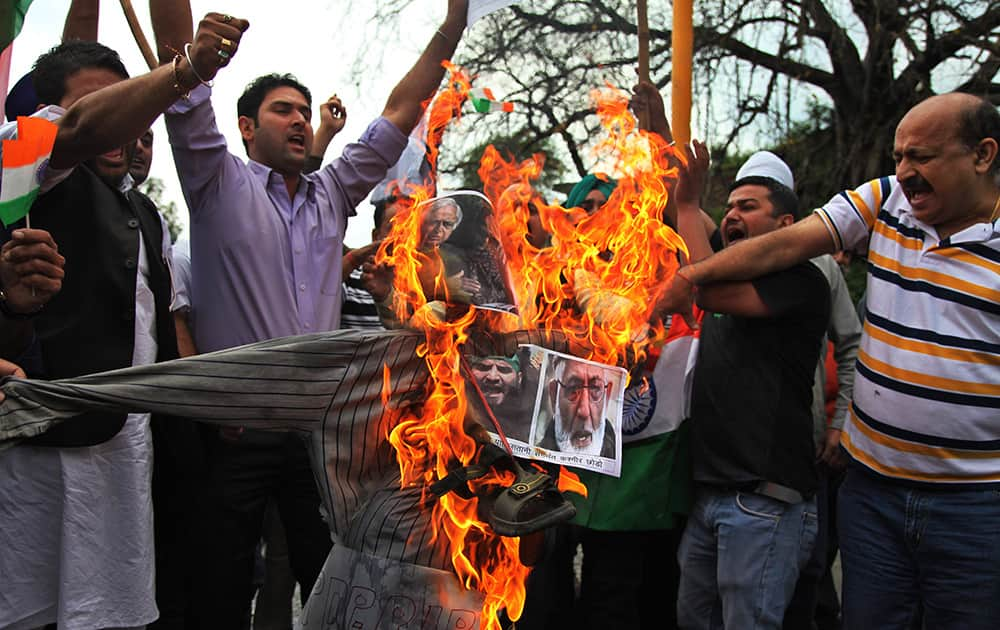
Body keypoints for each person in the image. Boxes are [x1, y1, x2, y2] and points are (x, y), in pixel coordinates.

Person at [150, 1, 471, 624]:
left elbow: (400, 113)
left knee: (334, 578)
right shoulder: (214, 178)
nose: (299, 120)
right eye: (282, 110)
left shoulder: (335, 192)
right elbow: (178, 78)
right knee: (218, 588)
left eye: (304, 111)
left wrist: (452, 24)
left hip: (319, 439)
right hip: (233, 434)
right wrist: (193, 56)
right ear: (246, 127)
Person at [658, 92, 1000, 629]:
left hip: (975, 505)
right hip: (874, 494)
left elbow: (819, 322)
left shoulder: (808, 279)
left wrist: (837, 424)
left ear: (982, 155)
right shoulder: (884, 201)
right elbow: (742, 252)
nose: (904, 172)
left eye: (922, 157)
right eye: (898, 158)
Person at [0, 12, 243, 627]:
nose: (126, 124)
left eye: (129, 105)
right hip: (43, 456)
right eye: (103, 104)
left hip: (130, 456)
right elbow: (79, 128)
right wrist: (186, 71)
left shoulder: (144, 211)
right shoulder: (27, 165)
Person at [668, 143, 830, 629]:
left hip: (763, 503)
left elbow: (707, 290)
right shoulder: (727, 266)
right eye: (731, 206)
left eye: (748, 206)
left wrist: (690, 208)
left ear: (785, 227)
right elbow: (706, 260)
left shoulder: (801, 280)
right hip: (713, 496)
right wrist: (687, 203)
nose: (733, 214)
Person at [537, 356, 617, 458]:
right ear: (554, 396)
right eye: (573, 389)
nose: (584, 412)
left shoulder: (625, 458)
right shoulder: (529, 463)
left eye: (595, 388)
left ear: (607, 397)